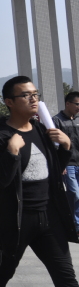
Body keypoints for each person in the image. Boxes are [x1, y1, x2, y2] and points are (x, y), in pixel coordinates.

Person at [0, 76, 79, 287]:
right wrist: (11, 152)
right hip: (17, 219)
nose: (33, 99)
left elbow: (52, 171)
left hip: (49, 217)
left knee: (66, 276)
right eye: (26, 95)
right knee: (5, 269)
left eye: (35, 94)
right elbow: (0, 181)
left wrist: (66, 147)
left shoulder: (41, 129)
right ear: (9, 102)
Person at [53, 91, 79, 232]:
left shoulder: (78, 120)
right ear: (68, 103)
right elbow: (54, 145)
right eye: (77, 104)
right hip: (68, 164)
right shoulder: (57, 121)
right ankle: (74, 224)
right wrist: (60, 163)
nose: (78, 107)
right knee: (74, 193)